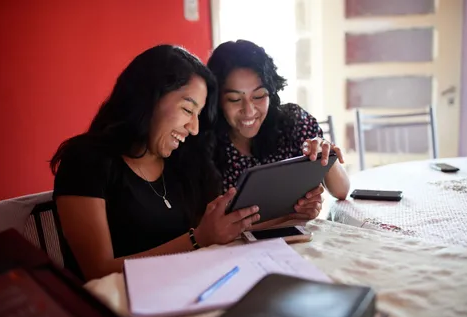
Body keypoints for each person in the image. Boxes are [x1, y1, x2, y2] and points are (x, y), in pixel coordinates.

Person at [50, 45, 260, 281]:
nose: (194, 128)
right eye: (187, 109)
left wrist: (293, 212)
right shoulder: (85, 160)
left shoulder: (183, 163)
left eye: (198, 114)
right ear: (149, 99)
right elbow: (99, 271)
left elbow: (217, 231)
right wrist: (196, 239)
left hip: (184, 290)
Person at [206, 40, 350, 222]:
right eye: (234, 99)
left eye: (258, 96)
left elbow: (342, 191)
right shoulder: (203, 142)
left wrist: (324, 153)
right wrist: (290, 216)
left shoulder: (292, 122)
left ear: (271, 92)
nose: (249, 111)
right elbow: (209, 228)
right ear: (217, 101)